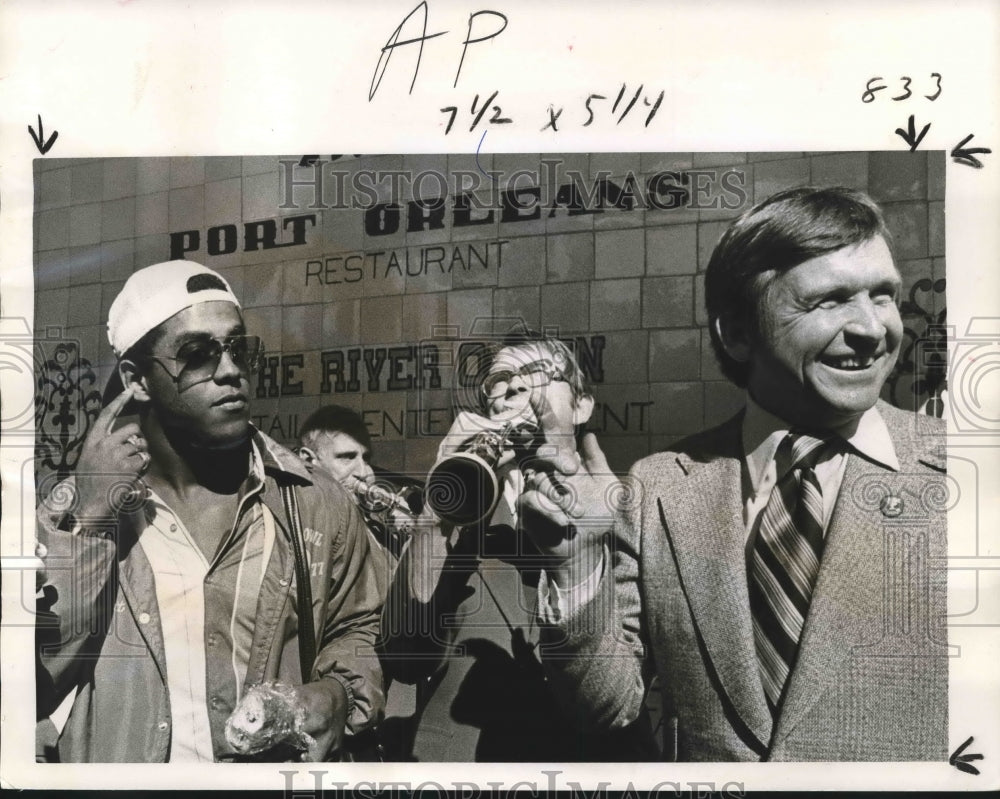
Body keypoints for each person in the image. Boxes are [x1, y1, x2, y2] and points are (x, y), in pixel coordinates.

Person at [523, 187, 949, 761]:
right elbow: (604, 707)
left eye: (884, 295)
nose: (873, 329)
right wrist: (575, 570)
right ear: (738, 333)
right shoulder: (658, 491)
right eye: (830, 300)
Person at [35, 261, 386, 763]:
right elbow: (35, 679)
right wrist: (89, 522)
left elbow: (359, 626)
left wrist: (337, 693)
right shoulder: (74, 515)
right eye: (197, 354)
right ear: (138, 379)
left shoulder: (310, 500)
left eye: (238, 348)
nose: (230, 370)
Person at [379, 330, 659, 761]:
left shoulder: (625, 512)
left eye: (536, 376)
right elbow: (403, 660)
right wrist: (437, 514)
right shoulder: (461, 516)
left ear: (582, 405)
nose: (512, 388)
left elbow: (619, 695)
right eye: (499, 382)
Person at [297, 404, 418, 563]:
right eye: (347, 457)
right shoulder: (305, 524)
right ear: (309, 461)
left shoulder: (375, 522)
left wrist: (405, 538)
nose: (363, 472)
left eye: (366, 458)